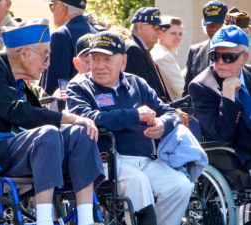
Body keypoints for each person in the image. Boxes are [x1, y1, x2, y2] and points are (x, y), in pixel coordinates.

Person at [0, 18, 104, 225]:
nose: (48, 64)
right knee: (48, 133)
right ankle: (44, 220)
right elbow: (15, 111)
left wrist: (75, 122)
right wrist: (67, 117)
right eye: (45, 56)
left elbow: (31, 114)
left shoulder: (19, 82)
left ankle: (87, 219)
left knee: (82, 133)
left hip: (21, 148)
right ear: (24, 53)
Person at [67, 31, 195, 225]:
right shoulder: (79, 86)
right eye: (95, 59)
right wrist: (134, 115)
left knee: (181, 186)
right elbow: (88, 117)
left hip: (143, 161)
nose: (99, 66)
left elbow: (168, 112)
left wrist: (162, 125)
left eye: (107, 59)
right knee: (138, 181)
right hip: (103, 161)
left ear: (123, 61)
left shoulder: (137, 83)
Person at [189, 25, 251, 168]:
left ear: (244, 58)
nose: (220, 62)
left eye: (228, 57)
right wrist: (228, 95)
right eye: (214, 56)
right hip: (238, 157)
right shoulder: (201, 86)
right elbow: (223, 135)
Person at [40, 0, 97, 95]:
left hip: (68, 104)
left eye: (53, 6)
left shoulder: (61, 35)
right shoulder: (96, 33)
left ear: (63, 8)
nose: (52, 11)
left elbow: (55, 84)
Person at [125, 7, 171, 103]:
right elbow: (142, 92)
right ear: (140, 26)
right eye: (155, 27)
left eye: (160, 28)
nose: (159, 31)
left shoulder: (139, 48)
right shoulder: (133, 50)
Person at [182, 0, 228, 96]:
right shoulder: (195, 51)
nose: (213, 29)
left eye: (217, 25)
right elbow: (187, 90)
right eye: (210, 25)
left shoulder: (236, 50)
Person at [151, 16, 184, 101]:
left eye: (180, 34)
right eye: (173, 33)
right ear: (161, 34)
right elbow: (182, 90)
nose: (178, 37)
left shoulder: (158, 52)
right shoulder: (164, 57)